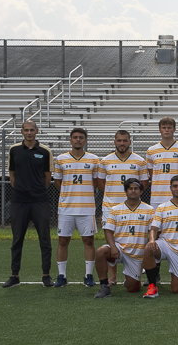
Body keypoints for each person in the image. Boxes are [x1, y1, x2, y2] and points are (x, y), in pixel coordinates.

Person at [95, 129, 149, 286]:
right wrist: (114, 198)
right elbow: (100, 183)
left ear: (130, 142)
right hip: (111, 207)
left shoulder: (139, 161)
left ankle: (134, 271)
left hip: (133, 207)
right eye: (119, 140)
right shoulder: (105, 161)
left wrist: (131, 198)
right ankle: (112, 276)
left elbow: (144, 183)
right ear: (114, 142)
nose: (122, 143)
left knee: (135, 237)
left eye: (125, 140)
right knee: (112, 239)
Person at [3, 120, 54, 288]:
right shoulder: (14, 150)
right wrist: (21, 189)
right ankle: (14, 275)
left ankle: (46, 275)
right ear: (21, 131)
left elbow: (47, 176)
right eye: (26, 130)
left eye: (32, 130)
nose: (29, 132)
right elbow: (12, 174)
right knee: (17, 239)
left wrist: (37, 190)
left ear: (37, 131)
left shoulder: (45, 151)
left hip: (40, 200)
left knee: (45, 239)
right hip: (19, 201)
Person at [52, 127, 100, 287]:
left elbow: (95, 183)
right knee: (63, 241)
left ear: (85, 140)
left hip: (87, 208)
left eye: (81, 137)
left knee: (88, 241)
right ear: (70, 140)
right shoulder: (60, 159)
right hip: (66, 208)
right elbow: (58, 183)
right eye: (75, 137)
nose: (78, 140)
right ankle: (61, 276)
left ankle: (88, 275)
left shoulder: (94, 159)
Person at [93, 178, 154, 298]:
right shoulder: (115, 210)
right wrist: (113, 246)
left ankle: (131, 279)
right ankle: (104, 287)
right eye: (130, 188)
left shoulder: (149, 210)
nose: (133, 191)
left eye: (136, 188)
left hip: (136, 254)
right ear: (126, 191)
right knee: (100, 252)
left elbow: (152, 229)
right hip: (119, 249)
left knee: (133, 289)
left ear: (141, 191)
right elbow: (108, 230)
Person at [145, 117, 178, 208]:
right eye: (164, 127)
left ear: (174, 129)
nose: (166, 130)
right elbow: (152, 175)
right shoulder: (151, 150)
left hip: (177, 197)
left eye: (169, 127)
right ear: (159, 130)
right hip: (157, 197)